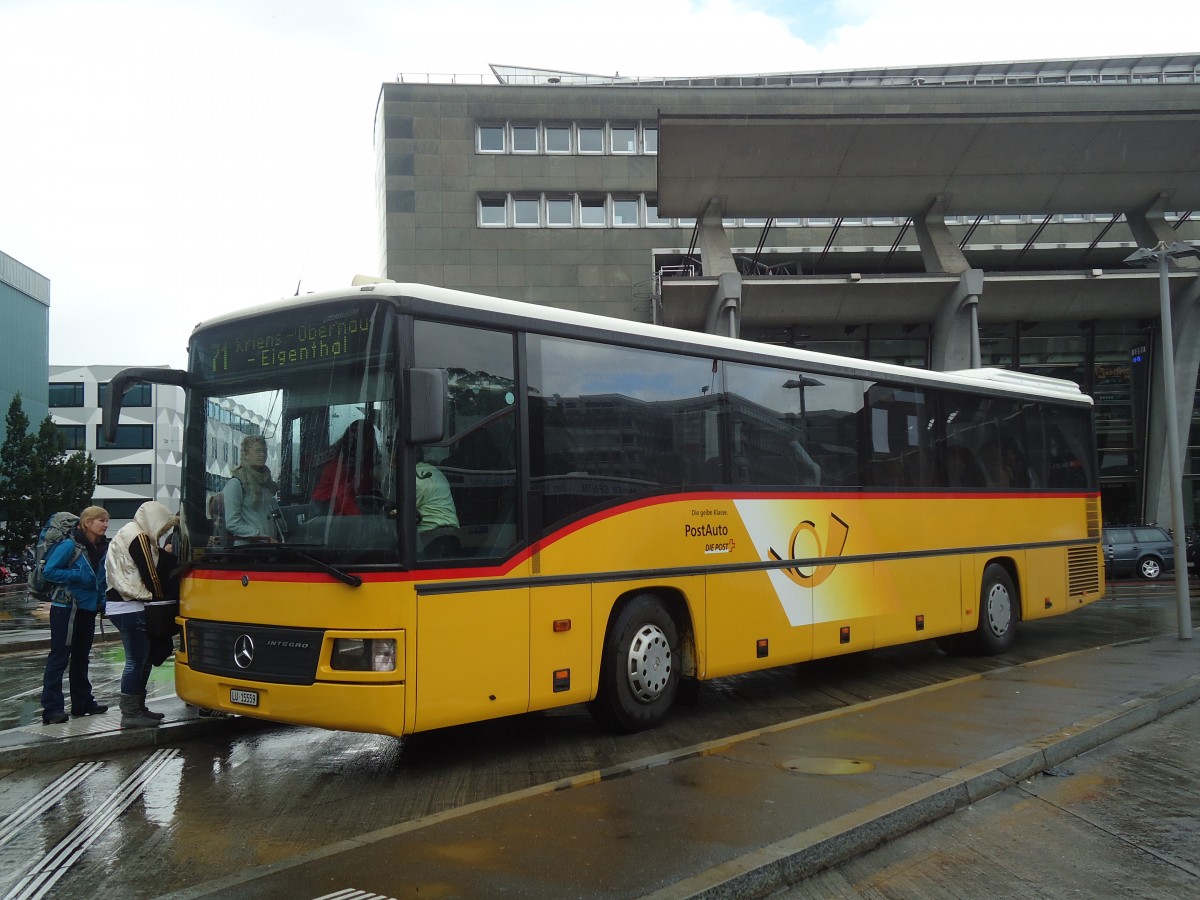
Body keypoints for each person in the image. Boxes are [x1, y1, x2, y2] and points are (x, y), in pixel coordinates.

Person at [105, 500, 179, 729]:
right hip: (130, 606)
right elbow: (150, 574)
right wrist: (160, 599)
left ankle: (138, 708)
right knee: (137, 661)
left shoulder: (127, 532)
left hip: (123, 605)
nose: (162, 532)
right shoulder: (138, 537)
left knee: (142, 660)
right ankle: (130, 712)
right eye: (162, 527)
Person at [39, 506, 110, 725]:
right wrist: (77, 575)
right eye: (101, 520)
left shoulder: (100, 547)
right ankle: (52, 709)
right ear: (87, 523)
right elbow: (48, 571)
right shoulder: (70, 544)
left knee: (81, 657)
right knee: (59, 657)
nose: (105, 524)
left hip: (87, 608)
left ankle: (82, 703)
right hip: (66, 607)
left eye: (107, 521)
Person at [312, 420, 380, 515]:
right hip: (324, 516)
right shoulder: (339, 468)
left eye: (371, 440)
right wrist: (365, 521)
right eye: (367, 440)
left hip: (341, 514)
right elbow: (346, 500)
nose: (371, 445)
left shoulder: (360, 467)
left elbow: (362, 493)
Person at [223, 434, 280, 542]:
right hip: (248, 551)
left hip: (269, 550)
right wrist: (261, 537)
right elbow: (232, 523)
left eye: (265, 451)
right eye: (258, 451)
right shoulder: (236, 483)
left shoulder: (266, 482)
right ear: (246, 454)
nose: (262, 455)